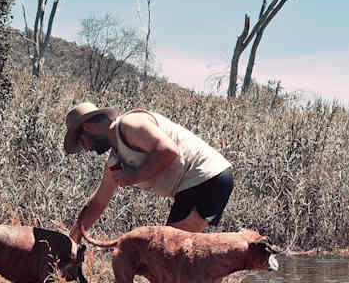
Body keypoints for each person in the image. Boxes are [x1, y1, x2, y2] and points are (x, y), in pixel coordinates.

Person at [63, 102, 233, 242]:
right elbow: (99, 202)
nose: (86, 149)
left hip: (206, 178)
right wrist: (73, 239)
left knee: (167, 252)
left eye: (81, 142)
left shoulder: (130, 124)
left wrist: (134, 176)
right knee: (171, 255)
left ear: (88, 127)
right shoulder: (115, 159)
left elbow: (168, 151)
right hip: (197, 183)